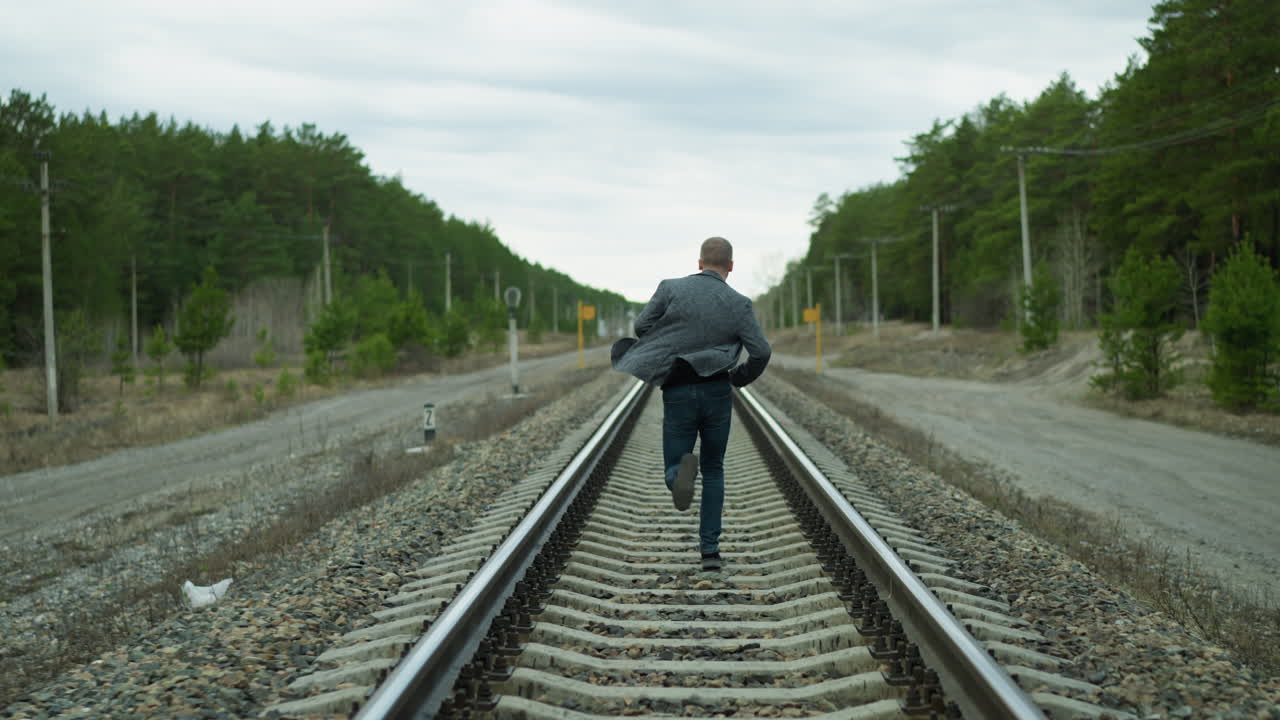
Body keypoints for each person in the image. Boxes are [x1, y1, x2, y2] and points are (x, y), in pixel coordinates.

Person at [611, 236, 772, 571]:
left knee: (675, 460)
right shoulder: (739, 303)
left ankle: (677, 477)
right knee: (714, 469)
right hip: (717, 392)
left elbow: (641, 326)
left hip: (679, 389)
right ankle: (710, 553)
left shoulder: (670, 288)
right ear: (730, 266)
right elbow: (762, 351)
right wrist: (739, 377)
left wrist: (671, 335)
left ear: (699, 263)